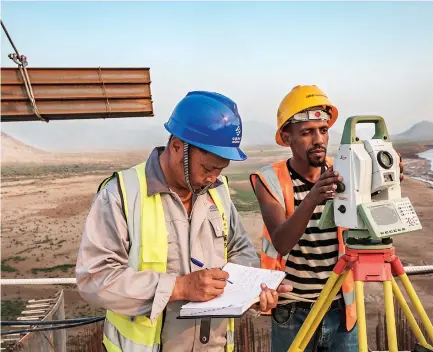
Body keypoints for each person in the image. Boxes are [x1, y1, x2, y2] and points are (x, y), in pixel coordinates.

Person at [76, 91, 292, 352]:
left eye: (220, 169)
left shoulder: (217, 190)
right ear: (177, 146)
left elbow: (239, 249)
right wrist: (177, 288)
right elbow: (95, 279)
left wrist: (252, 291)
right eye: (207, 168)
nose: (214, 178)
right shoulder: (121, 193)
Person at [249, 85, 404, 351]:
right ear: (287, 138)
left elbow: (370, 218)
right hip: (293, 310)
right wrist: (312, 198)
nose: (319, 140)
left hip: (342, 307)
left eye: (323, 130)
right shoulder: (269, 180)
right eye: (307, 132)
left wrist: (384, 179)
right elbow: (281, 242)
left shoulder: (345, 170)